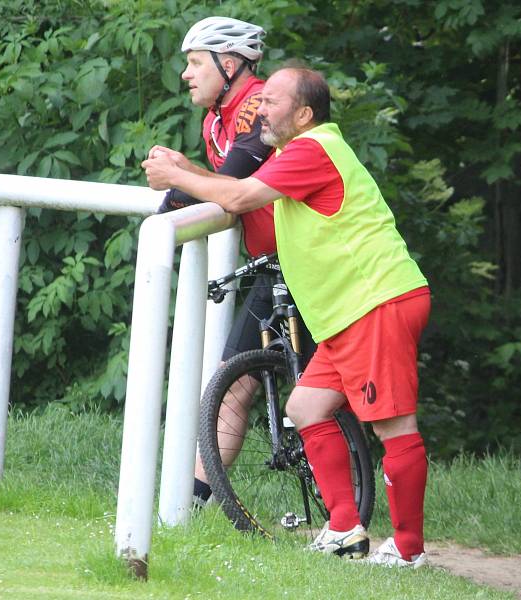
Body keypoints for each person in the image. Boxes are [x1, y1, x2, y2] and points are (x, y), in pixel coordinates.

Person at [143, 65, 431, 568]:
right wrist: (189, 168)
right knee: (304, 410)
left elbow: (237, 197)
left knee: (394, 425)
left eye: (272, 101)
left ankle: (409, 551)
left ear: (303, 113)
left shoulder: (310, 150)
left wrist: (174, 177)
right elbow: (237, 190)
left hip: (374, 304)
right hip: (351, 312)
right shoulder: (296, 151)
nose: (260, 110)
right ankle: (344, 530)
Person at [151, 17, 316, 508]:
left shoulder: (259, 108)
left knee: (318, 393)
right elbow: (226, 186)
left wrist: (176, 189)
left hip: (309, 264)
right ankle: (195, 504)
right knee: (234, 382)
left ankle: (346, 512)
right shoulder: (216, 119)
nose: (186, 74)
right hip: (273, 266)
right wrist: (187, 173)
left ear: (229, 64)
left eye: (195, 62)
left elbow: (238, 187)